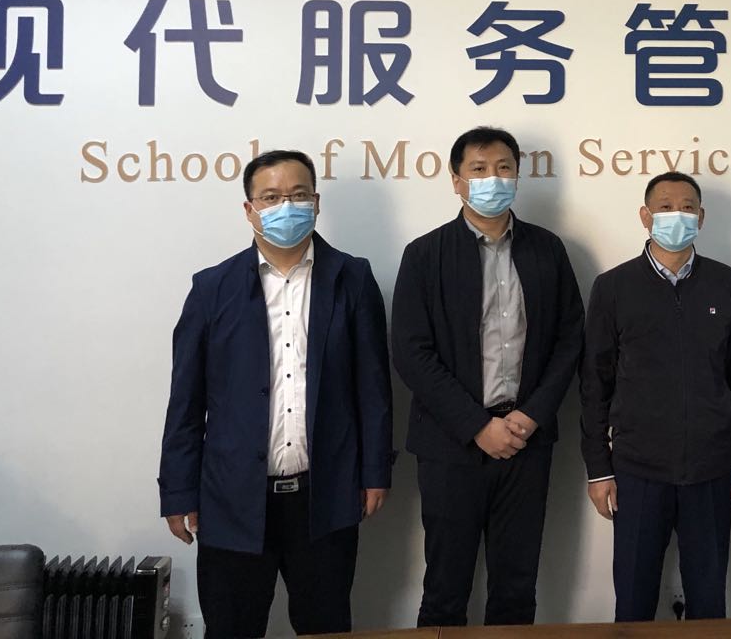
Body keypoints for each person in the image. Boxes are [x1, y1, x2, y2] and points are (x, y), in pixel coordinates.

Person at [158, 149, 393, 639]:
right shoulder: (212, 288)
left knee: (326, 627)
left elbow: (373, 389)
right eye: (271, 197)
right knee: (232, 628)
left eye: (298, 195)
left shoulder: (352, 278)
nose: (286, 206)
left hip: (324, 495)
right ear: (250, 209)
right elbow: (186, 401)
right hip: (232, 499)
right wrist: (178, 490)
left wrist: (375, 472)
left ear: (316, 203)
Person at [391, 126, 584, 627]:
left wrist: (531, 416)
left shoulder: (547, 249)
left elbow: (569, 339)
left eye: (503, 168)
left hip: (526, 442)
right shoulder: (424, 255)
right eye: (478, 169)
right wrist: (476, 425)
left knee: (517, 588)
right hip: (450, 445)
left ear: (518, 176)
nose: (492, 179)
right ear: (456, 180)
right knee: (444, 588)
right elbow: (411, 352)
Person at [580, 172, 731, 621]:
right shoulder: (613, 286)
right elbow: (595, 383)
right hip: (637, 470)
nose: (676, 215)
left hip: (713, 469)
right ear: (645, 216)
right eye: (665, 206)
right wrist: (599, 469)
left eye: (686, 207)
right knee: (633, 602)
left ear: (701, 216)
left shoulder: (727, 284)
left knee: (709, 602)